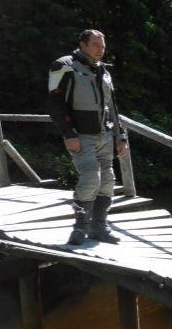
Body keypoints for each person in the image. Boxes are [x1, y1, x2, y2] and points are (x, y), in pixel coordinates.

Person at [47, 29, 128, 245]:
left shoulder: (104, 71)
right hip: (81, 135)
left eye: (103, 46)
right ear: (82, 45)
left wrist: (121, 136)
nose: (101, 50)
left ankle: (99, 228)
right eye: (95, 45)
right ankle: (80, 228)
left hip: (105, 135)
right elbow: (55, 104)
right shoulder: (64, 66)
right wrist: (68, 133)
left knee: (108, 180)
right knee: (91, 177)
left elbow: (112, 106)